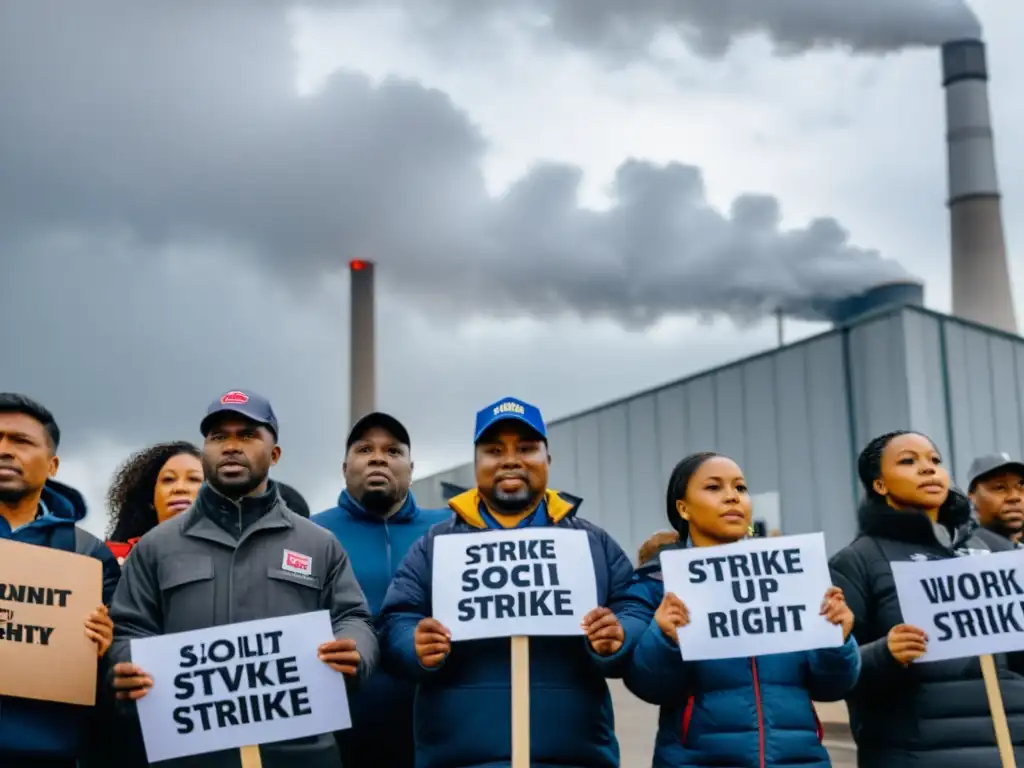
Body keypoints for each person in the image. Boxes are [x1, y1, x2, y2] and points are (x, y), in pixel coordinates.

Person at [108, 389, 379, 768]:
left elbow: (354, 618)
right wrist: (124, 666)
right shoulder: (156, 547)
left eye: (247, 435)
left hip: (301, 754)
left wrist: (354, 648)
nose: (231, 446)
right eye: (219, 437)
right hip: (190, 756)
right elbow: (128, 630)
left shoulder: (318, 544)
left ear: (275, 453)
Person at [377, 396, 646, 768]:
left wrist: (619, 634)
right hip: (459, 759)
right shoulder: (435, 545)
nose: (510, 459)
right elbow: (395, 620)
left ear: (547, 461)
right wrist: (414, 644)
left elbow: (634, 606)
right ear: (476, 465)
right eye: (493, 450)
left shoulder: (590, 542)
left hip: (573, 758)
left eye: (526, 448)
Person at [623, 451, 860, 768]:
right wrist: (665, 639)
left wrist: (838, 640)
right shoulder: (661, 584)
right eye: (713, 487)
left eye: (740, 488)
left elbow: (833, 686)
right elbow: (649, 685)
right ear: (683, 508)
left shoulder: (792, 576)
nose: (732, 497)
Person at [829, 431, 1024, 767]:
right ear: (879, 485)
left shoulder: (994, 552)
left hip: (1009, 751)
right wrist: (884, 653)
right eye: (909, 461)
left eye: (935, 461)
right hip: (915, 756)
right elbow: (831, 673)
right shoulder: (856, 561)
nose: (928, 469)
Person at [312, 411, 449, 767]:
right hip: (342, 733)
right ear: (345, 467)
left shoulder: (450, 532)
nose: (378, 457)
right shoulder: (311, 534)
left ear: (411, 467)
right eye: (364, 449)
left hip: (436, 729)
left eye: (392, 451)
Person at [0, 393, 119, 767]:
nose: (4, 450)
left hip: (50, 753)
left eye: (20, 441)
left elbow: (116, 661)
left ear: (52, 465)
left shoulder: (87, 554)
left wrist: (106, 645)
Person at [105, 441, 203, 564]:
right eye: (168, 479)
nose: (180, 488)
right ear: (150, 497)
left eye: (193, 479)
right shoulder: (108, 559)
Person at [967, 452, 1024, 548]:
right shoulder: (966, 553)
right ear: (972, 497)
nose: (1015, 497)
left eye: (1021, 486)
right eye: (1000, 488)